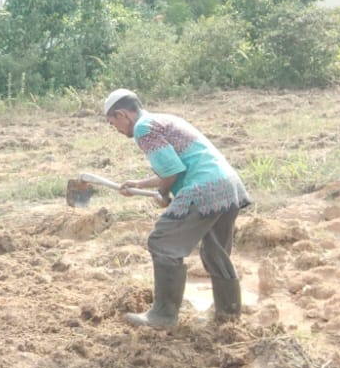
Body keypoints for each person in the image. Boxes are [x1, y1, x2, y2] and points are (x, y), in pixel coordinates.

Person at [103, 88, 250, 329]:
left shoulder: (143, 128)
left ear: (122, 115)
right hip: (228, 186)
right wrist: (141, 185)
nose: (116, 130)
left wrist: (163, 193)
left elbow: (172, 171)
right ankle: (229, 315)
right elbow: (179, 165)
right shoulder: (165, 119)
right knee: (216, 253)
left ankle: (163, 316)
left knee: (163, 242)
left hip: (203, 189)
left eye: (113, 123)